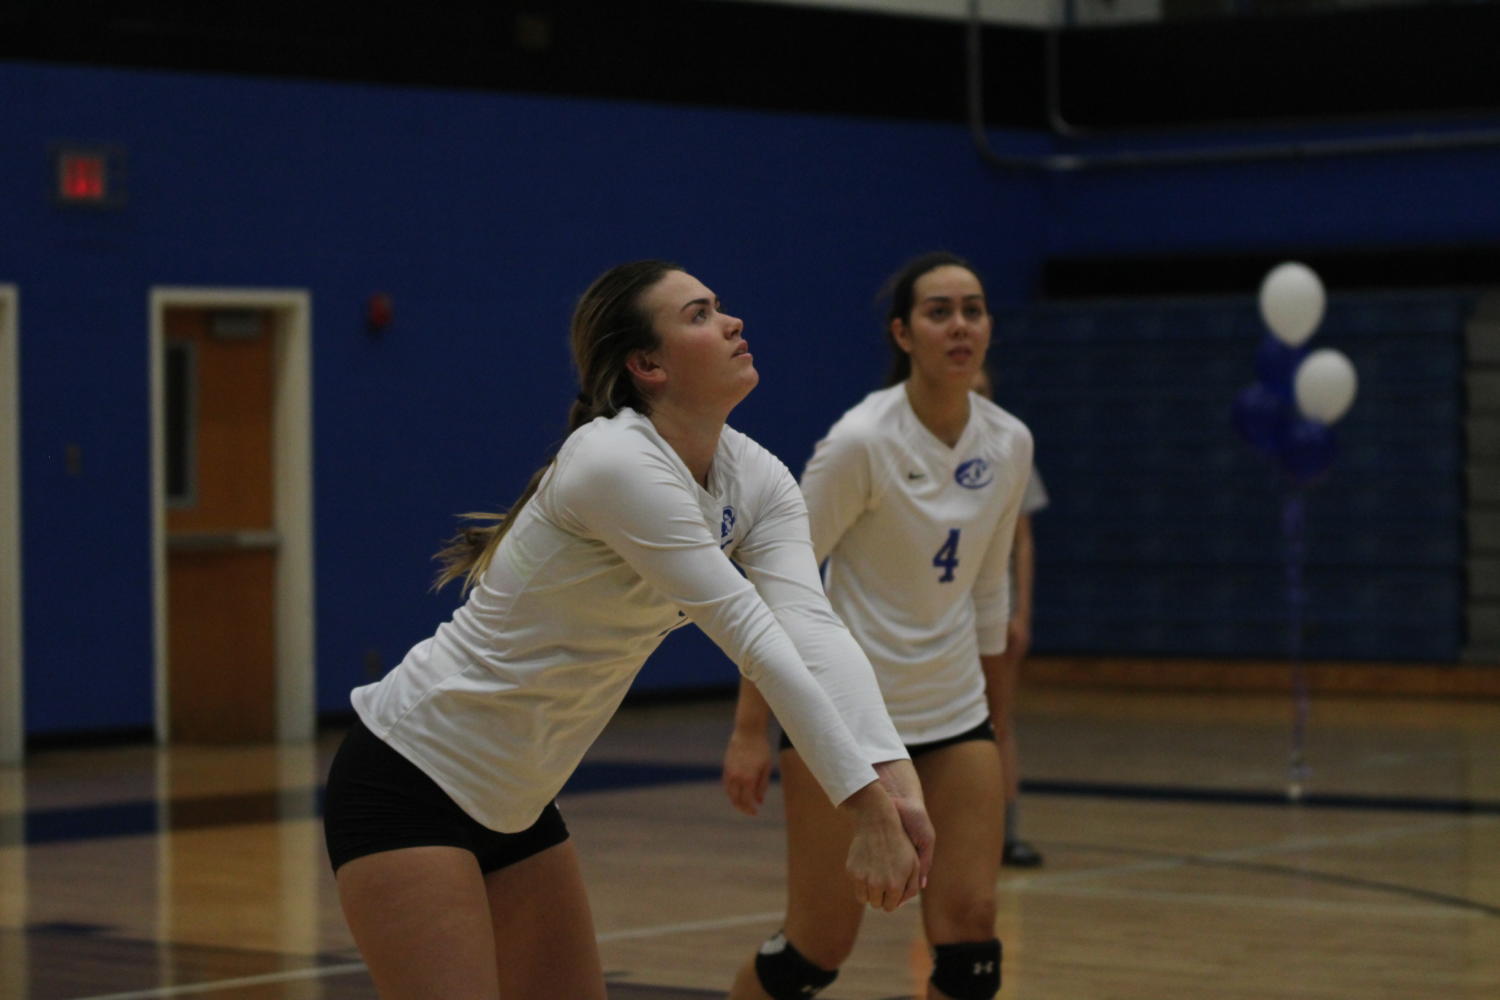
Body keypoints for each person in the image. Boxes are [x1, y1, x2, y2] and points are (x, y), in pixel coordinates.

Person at [322, 260, 935, 1000]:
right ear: (647, 364)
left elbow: (812, 629)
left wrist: (898, 783)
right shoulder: (614, 461)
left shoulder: (755, 475)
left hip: (517, 803)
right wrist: (865, 808)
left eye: (721, 307)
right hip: (409, 780)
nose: (733, 322)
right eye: (700, 314)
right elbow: (753, 637)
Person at [722, 252, 1032, 1000]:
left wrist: (998, 721)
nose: (960, 325)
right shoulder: (862, 441)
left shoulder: (1009, 442)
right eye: (939, 311)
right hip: (845, 718)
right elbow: (777, 580)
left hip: (955, 712)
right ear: (903, 333)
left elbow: (989, 592)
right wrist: (748, 728)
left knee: (971, 938)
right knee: (817, 950)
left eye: (974, 308)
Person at [971, 364, 1048, 869]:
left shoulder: (1009, 446)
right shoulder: (902, 442)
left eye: (981, 389)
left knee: (1000, 720)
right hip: (935, 610)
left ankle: (1005, 831)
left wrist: (1022, 609)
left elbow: (1022, 539)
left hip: (991, 607)